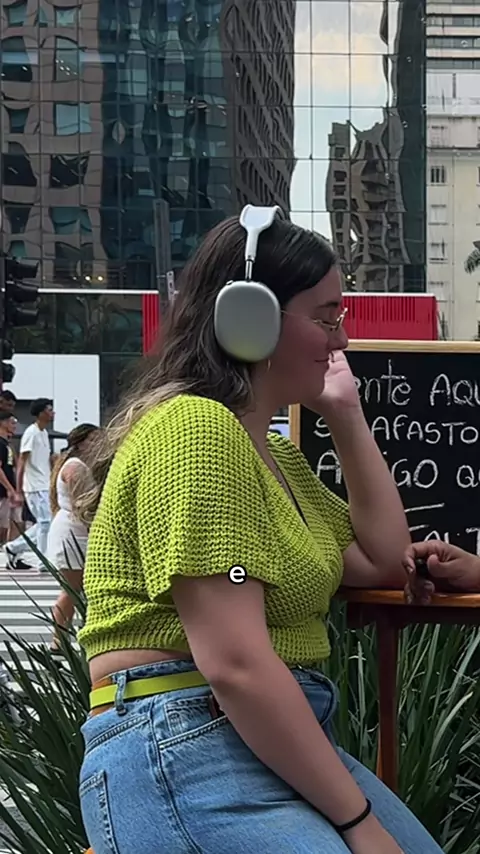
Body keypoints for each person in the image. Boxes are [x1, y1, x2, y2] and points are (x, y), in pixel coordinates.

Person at [75, 209, 469, 854]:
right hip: (184, 735)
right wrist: (359, 824)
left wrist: (346, 415)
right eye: (327, 318)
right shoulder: (196, 431)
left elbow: (385, 559)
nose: (342, 339)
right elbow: (236, 664)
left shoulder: (274, 457)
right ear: (248, 318)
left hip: (265, 736)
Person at [47, 423, 99, 653]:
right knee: (71, 590)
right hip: (73, 533)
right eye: (93, 439)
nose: (98, 444)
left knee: (76, 590)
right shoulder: (75, 467)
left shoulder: (77, 465)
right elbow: (82, 504)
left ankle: (62, 639)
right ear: (81, 443)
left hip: (75, 530)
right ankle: (58, 640)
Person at [6, 398, 54, 571]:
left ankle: (13, 547)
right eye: (49, 409)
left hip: (44, 484)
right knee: (45, 522)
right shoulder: (31, 433)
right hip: (34, 486)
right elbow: (22, 462)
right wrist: (18, 491)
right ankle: (43, 561)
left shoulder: (44, 433)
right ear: (40, 413)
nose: (52, 412)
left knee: (45, 523)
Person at [0, 411, 23, 549]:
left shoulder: (7, 444)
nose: (14, 425)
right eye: (11, 422)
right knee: (2, 525)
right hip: (3, 491)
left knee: (15, 522)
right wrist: (10, 489)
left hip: (10, 489)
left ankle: (11, 550)